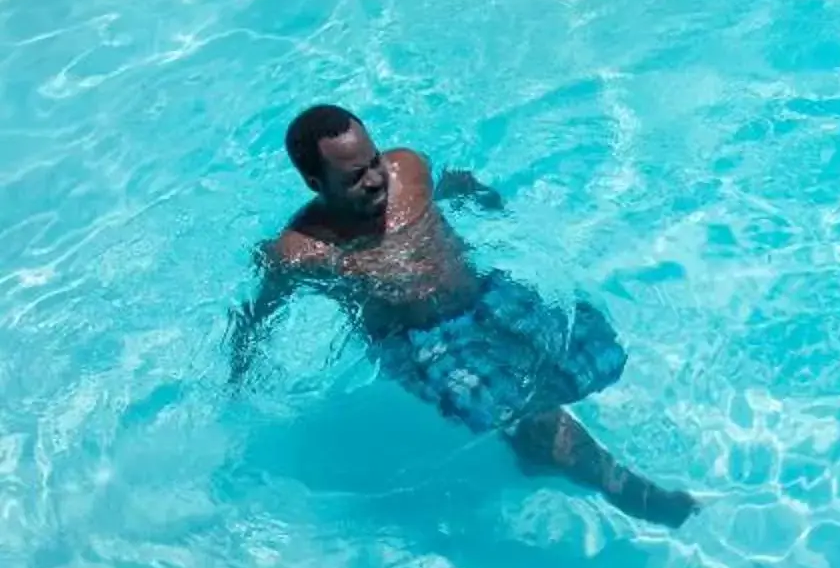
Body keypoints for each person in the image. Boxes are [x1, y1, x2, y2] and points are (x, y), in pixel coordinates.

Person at [229, 105, 697, 526]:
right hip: (426, 343)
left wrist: (491, 205)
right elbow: (260, 309)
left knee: (598, 357)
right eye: (355, 176)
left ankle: (537, 452)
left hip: (489, 295)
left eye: (373, 161)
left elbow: (461, 186)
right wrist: (243, 371)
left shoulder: (408, 171)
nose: (375, 179)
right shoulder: (301, 251)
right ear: (316, 184)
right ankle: (625, 489)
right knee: (530, 413)